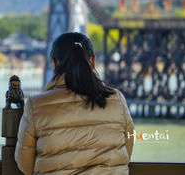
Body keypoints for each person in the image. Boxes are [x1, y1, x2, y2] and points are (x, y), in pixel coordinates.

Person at [15, 32, 134, 174]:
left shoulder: (35, 105)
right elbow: (128, 148)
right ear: (93, 61)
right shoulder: (117, 99)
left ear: (54, 63)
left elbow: (25, 164)